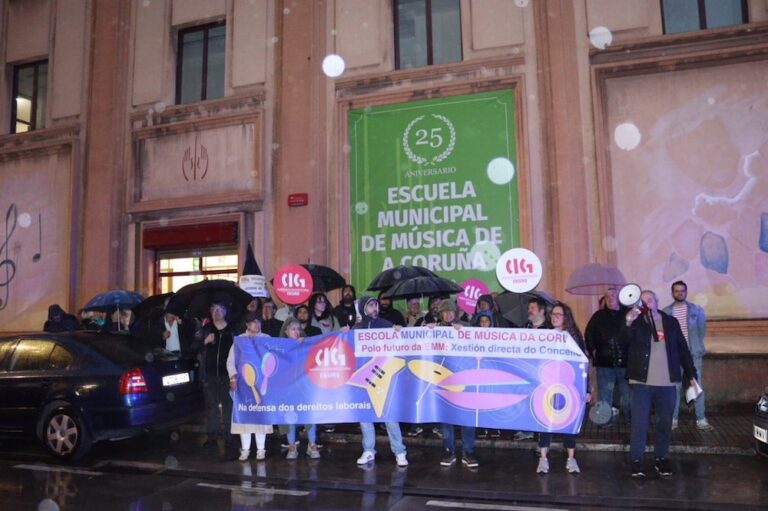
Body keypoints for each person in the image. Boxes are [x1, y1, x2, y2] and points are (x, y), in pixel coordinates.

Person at [620, 290, 698, 478]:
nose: (647, 303)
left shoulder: (671, 322)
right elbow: (623, 343)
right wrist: (628, 322)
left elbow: (683, 350)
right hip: (642, 382)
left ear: (656, 301)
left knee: (664, 423)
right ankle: (637, 460)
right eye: (643, 301)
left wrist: (691, 375)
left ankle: (661, 458)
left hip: (667, 382)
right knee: (640, 423)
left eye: (650, 299)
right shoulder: (636, 323)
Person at [536, 302, 592, 474]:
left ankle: (571, 458)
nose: (554, 317)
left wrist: (587, 389)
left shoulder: (574, 338)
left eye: (558, 314)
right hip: (547, 385)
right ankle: (543, 458)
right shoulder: (544, 335)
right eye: (553, 314)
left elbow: (582, 365)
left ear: (566, 317)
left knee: (570, 420)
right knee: (545, 422)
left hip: (570, 387)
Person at [354, 295, 408, 467]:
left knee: (389, 416)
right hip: (364, 377)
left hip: (383, 376)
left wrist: (399, 330)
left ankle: (399, 452)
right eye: (370, 305)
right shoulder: (357, 328)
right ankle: (369, 450)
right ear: (363, 308)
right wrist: (344, 333)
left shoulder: (385, 325)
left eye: (376, 305)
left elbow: (402, 340)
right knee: (365, 416)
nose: (375, 308)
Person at [662, 280, 713, 431]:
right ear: (672, 293)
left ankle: (701, 419)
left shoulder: (696, 310)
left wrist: (695, 347)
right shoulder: (666, 312)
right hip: (674, 356)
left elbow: (701, 330)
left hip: (693, 354)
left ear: (686, 291)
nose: (680, 293)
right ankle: (673, 419)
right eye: (677, 291)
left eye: (682, 290)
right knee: (674, 388)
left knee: (696, 386)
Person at [432, 300, 477, 468]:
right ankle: (448, 451)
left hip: (465, 379)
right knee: (446, 419)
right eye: (445, 312)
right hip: (444, 381)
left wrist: (465, 333)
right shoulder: (435, 329)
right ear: (441, 314)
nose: (448, 315)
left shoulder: (466, 326)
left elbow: (477, 345)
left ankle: (469, 452)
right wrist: (427, 330)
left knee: (467, 417)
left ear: (456, 312)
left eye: (451, 311)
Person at [228, 311, 274, 462]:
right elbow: (230, 360)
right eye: (253, 322)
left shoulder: (267, 339)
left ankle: (261, 450)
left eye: (259, 322)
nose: (257, 324)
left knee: (260, 416)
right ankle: (245, 450)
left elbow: (273, 358)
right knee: (245, 417)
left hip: (262, 385)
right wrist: (233, 377)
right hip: (243, 385)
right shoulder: (239, 340)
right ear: (247, 324)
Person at [193, 298, 236, 448]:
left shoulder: (232, 331)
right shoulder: (205, 330)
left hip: (227, 375)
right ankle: (212, 435)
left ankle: (230, 435)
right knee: (211, 406)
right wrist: (204, 342)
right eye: (213, 309)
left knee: (228, 405)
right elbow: (193, 348)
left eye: (219, 309)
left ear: (225, 311)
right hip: (209, 374)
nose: (216, 312)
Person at [585, 287, 631, 424]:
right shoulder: (598, 316)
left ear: (619, 297)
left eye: (613, 295)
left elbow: (635, 335)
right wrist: (593, 351)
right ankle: (605, 420)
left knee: (628, 394)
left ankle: (631, 418)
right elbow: (588, 335)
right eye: (607, 296)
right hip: (604, 363)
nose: (610, 298)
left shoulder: (628, 314)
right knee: (605, 395)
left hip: (626, 362)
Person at [281, 317, 321, 460]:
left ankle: (312, 445)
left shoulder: (306, 344)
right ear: (286, 331)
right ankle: (292, 446)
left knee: (309, 416)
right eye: (293, 329)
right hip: (288, 390)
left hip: (305, 388)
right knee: (289, 417)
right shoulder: (279, 346)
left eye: (299, 329)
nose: (297, 332)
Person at [515, 298, 552, 441]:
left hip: (543, 375)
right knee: (526, 402)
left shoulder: (549, 330)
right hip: (526, 373)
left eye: (532, 308)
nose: (529, 311)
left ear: (541, 311)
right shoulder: (526, 328)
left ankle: (542, 440)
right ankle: (527, 430)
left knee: (541, 406)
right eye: (529, 308)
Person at [473, 311, 502, 440]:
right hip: (480, 373)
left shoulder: (498, 336)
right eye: (482, 321)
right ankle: (482, 426)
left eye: (487, 321)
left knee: (493, 399)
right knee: (480, 400)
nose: (484, 324)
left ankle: (494, 426)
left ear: (491, 322)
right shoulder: (473, 337)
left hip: (493, 372)